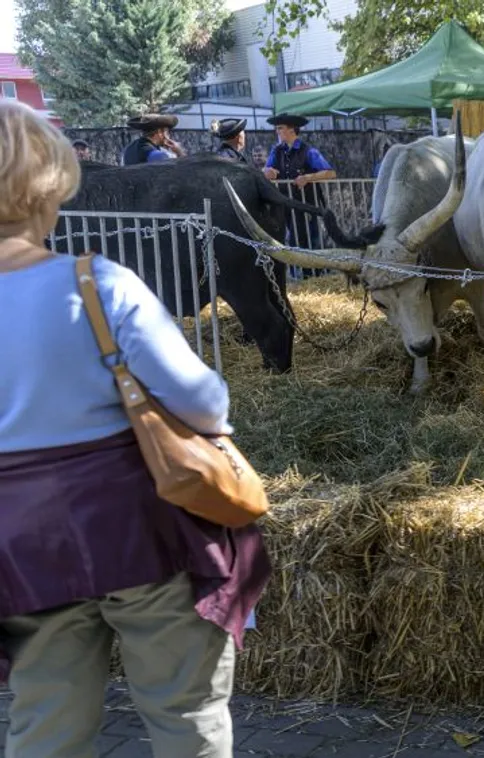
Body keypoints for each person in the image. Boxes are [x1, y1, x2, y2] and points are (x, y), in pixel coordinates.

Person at [0, 100, 271, 758]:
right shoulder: (98, 284)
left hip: (20, 548)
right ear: (47, 190)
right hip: (142, 530)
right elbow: (202, 402)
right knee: (185, 708)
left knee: (45, 723)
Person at [263, 113, 335, 275]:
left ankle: (316, 274)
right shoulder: (277, 151)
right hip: (286, 205)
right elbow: (266, 170)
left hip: (307, 205)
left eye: (280, 128)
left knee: (311, 239)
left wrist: (309, 177)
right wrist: (268, 172)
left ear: (292, 130)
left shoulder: (309, 151)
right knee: (294, 240)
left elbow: (330, 173)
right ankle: (299, 275)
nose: (277, 132)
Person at [121, 113, 186, 166]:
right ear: (160, 132)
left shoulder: (128, 149)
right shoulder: (161, 155)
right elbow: (183, 168)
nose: (169, 136)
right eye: (167, 131)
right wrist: (179, 152)